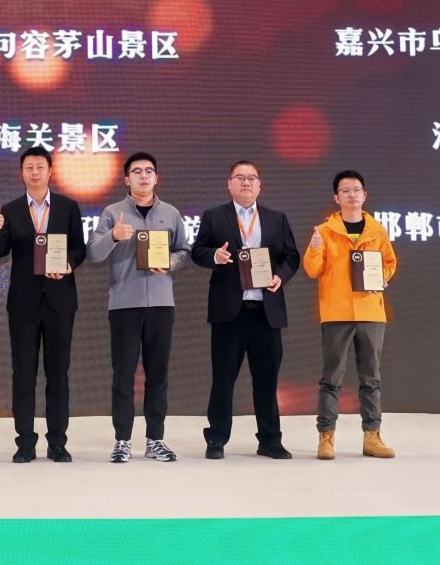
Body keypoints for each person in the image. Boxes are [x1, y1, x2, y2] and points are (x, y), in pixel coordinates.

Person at [189, 161, 300, 459]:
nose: (246, 183)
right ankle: (216, 439)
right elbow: (197, 252)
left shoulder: (277, 219)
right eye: (240, 177)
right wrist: (215, 255)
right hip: (230, 313)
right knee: (223, 380)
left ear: (260, 185)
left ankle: (270, 441)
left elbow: (291, 257)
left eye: (252, 178)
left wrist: (280, 276)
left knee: (267, 380)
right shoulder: (214, 216)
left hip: (266, 311)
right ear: (229, 183)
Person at [86, 151, 191, 463]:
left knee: (158, 374)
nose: (143, 176)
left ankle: (155, 439)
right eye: (137, 172)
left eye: (148, 171)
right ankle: (122, 440)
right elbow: (94, 253)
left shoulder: (171, 213)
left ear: (156, 177)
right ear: (126, 179)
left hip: (161, 304)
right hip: (124, 305)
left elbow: (184, 251)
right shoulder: (112, 213)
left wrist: (170, 262)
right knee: (123, 374)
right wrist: (114, 236)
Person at [0, 146, 87, 462]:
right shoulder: (10, 210)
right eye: (29, 167)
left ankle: (57, 442)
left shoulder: (68, 207)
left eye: (40, 167)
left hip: (60, 301)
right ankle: (25, 443)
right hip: (24, 304)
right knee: (23, 376)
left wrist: (68, 265)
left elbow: (79, 248)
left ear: (50, 171)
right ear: (22, 172)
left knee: (58, 376)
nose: (34, 172)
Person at [302, 169, 399, 460]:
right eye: (345, 191)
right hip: (336, 312)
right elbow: (312, 270)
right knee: (331, 377)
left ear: (365, 195)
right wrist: (315, 249)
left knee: (371, 378)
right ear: (336, 197)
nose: (352, 195)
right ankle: (326, 437)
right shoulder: (324, 231)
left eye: (356, 190)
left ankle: (372, 436)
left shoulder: (377, 231)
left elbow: (389, 263)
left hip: (371, 312)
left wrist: (382, 277)